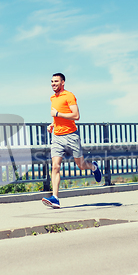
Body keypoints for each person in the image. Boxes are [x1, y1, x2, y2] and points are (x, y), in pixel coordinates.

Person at [42, 73, 102, 209]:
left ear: (63, 82)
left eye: (56, 81)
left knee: (80, 165)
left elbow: (76, 115)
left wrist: (57, 114)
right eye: (51, 81)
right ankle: (55, 198)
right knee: (55, 166)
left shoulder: (69, 96)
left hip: (71, 136)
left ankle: (93, 167)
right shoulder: (52, 98)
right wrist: (53, 123)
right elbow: (58, 115)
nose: (53, 83)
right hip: (57, 137)